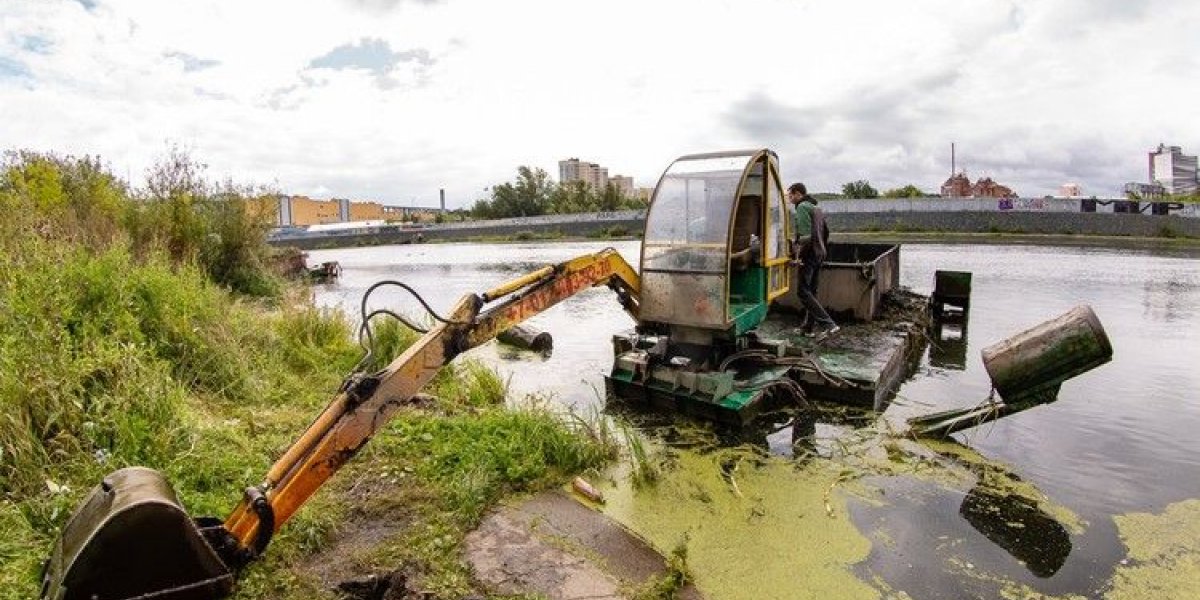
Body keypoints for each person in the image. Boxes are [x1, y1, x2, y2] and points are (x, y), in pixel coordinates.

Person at [787, 182, 839, 338]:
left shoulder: (802, 207)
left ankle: (830, 325)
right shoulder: (816, 208)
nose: (789, 198)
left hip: (809, 254)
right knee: (812, 291)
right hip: (819, 253)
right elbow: (825, 232)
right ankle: (808, 327)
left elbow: (804, 237)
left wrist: (797, 255)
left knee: (803, 292)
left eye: (790, 195)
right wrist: (820, 249)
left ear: (798, 194)